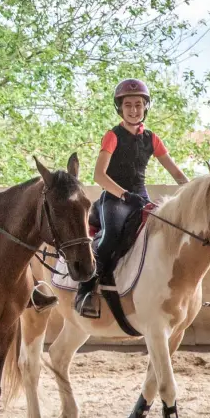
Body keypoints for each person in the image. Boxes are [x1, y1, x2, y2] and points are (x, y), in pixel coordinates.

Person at [74, 78, 189, 318]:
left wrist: (193, 191)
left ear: (145, 107)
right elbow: (99, 175)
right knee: (111, 238)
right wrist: (125, 195)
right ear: (120, 108)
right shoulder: (112, 136)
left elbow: (176, 172)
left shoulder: (152, 139)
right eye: (128, 105)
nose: (134, 109)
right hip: (115, 199)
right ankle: (87, 289)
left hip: (141, 197)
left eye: (138, 104)